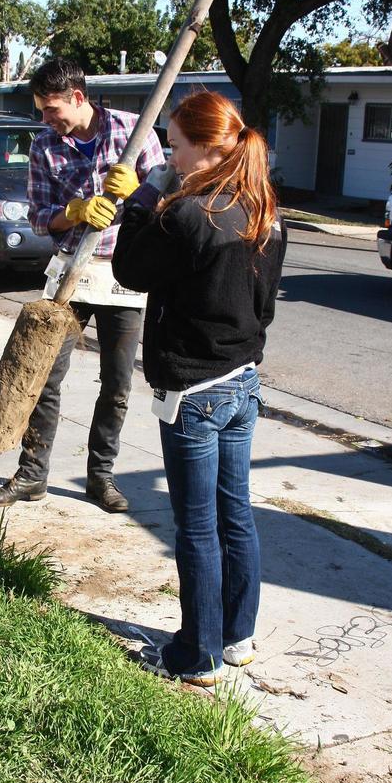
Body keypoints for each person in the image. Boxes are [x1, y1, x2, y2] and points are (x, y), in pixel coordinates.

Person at [112, 91, 287, 686]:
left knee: (197, 525)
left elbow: (130, 270)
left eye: (177, 144)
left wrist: (138, 198)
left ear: (208, 148)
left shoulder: (188, 214)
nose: (170, 153)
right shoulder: (262, 208)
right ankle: (237, 637)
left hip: (194, 390)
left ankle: (197, 653)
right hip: (242, 381)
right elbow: (264, 304)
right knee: (234, 513)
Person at [0, 57, 164, 513]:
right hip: (70, 272)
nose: (46, 120)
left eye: (51, 110)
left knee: (118, 383)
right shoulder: (45, 147)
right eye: (41, 112)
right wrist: (76, 211)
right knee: (44, 376)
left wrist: (139, 188)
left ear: (78, 98)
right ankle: (32, 474)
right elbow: (41, 218)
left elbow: (168, 200)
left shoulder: (133, 132)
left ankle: (101, 477)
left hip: (123, 275)